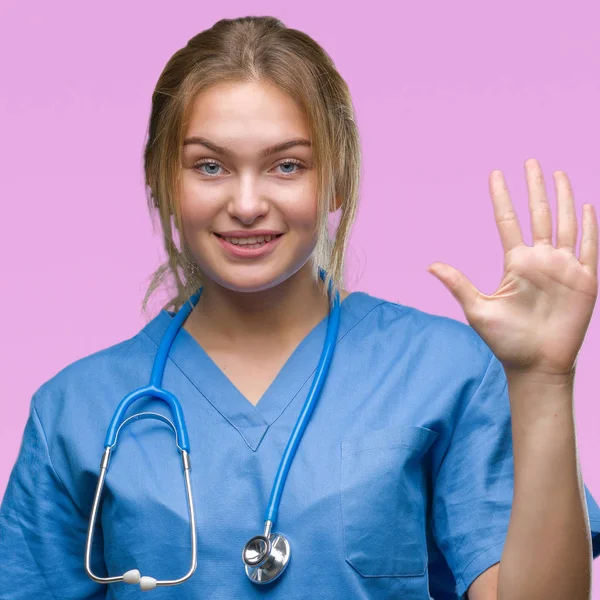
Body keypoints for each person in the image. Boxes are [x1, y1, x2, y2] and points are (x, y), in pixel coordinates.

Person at [0, 15, 599, 600]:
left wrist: (545, 378)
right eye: (209, 166)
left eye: (287, 165)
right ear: (161, 180)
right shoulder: (73, 411)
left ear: (337, 179)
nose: (247, 203)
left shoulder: (449, 372)